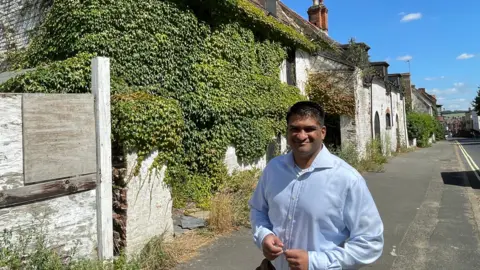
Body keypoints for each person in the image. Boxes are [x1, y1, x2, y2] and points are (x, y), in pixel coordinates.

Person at [249, 101, 384, 270]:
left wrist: (315, 262)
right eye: (295, 129)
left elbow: (370, 242)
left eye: (309, 129)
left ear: (323, 132)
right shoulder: (273, 169)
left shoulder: (347, 179)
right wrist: (264, 236)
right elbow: (258, 209)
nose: (301, 135)